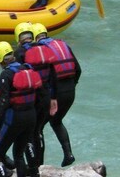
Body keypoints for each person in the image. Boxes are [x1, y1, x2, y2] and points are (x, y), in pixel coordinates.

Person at [0, 41, 45, 177]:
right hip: (31, 116)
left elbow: (4, 102)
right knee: (19, 155)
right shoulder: (27, 68)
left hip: (15, 118)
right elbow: (40, 95)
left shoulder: (6, 75)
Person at [13, 21, 59, 177]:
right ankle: (39, 164)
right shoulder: (44, 49)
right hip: (46, 96)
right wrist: (53, 98)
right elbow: (53, 75)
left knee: (27, 135)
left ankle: (33, 172)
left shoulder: (19, 52)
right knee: (38, 131)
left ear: (18, 38)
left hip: (31, 99)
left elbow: (17, 78)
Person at [32, 22, 82, 166]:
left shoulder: (40, 50)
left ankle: (38, 164)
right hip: (70, 90)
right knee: (56, 121)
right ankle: (68, 154)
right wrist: (72, 86)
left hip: (55, 92)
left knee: (38, 127)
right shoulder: (63, 45)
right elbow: (78, 70)